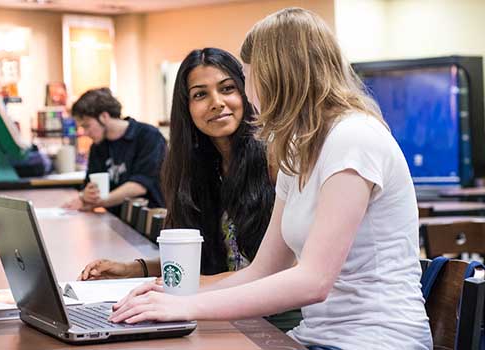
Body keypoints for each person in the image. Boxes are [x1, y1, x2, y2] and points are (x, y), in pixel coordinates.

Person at [109, 8, 432, 350]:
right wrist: (173, 294)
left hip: (375, 341)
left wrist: (186, 305)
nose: (248, 94)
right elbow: (261, 270)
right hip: (318, 337)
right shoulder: (298, 150)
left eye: (247, 78)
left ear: (279, 75)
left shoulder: (353, 138)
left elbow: (314, 281)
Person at [78, 48, 301, 330]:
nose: (217, 102)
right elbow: (203, 258)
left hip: (277, 323)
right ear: (186, 107)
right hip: (221, 313)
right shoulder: (194, 170)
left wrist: (176, 289)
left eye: (227, 88)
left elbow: (286, 269)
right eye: (200, 94)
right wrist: (133, 270)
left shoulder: (276, 160)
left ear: (245, 92)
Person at [63, 88, 166, 216]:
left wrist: (97, 202)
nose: (85, 132)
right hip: (114, 220)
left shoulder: (148, 136)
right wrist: (86, 194)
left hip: (147, 222)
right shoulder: (98, 146)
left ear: (104, 116)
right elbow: (90, 183)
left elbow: (139, 185)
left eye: (87, 125)